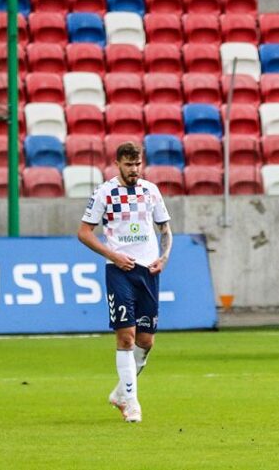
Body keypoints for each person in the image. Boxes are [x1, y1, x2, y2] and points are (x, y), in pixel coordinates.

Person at [78, 142, 172, 423]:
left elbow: (165, 229)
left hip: (149, 271)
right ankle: (131, 403)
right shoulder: (104, 192)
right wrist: (113, 255)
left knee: (146, 341)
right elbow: (84, 232)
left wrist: (164, 257)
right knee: (126, 336)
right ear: (117, 163)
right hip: (119, 271)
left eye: (137, 164)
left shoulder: (150, 191)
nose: (134, 169)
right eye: (129, 164)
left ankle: (120, 393)